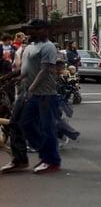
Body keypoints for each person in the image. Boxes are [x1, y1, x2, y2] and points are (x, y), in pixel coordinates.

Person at [2, 19, 61, 174]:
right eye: (29, 29)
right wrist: (8, 78)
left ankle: (51, 160)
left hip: (45, 95)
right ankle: (20, 159)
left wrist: (32, 89)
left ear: (44, 30)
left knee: (47, 128)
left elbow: (45, 70)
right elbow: (25, 69)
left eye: (33, 29)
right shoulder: (29, 47)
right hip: (27, 92)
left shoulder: (49, 47)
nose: (30, 32)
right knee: (15, 123)